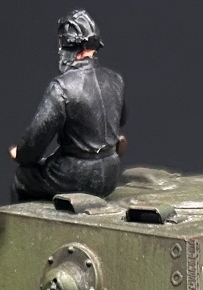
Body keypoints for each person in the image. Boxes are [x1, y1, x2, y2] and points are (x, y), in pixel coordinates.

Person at [9, 10, 127, 202]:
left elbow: (36, 141)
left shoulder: (62, 87)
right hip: (111, 173)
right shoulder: (116, 80)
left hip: (75, 176)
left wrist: (21, 154)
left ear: (67, 45)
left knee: (23, 176)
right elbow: (120, 120)